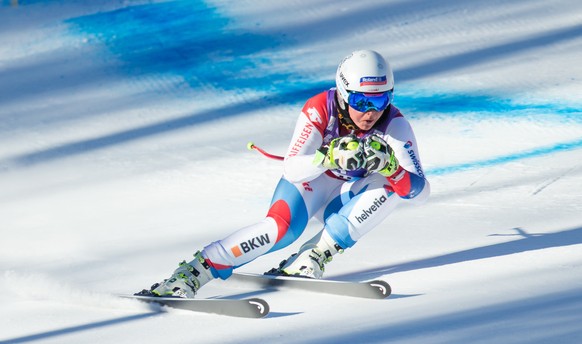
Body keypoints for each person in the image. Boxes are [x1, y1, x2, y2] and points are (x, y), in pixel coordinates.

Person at [138, 49, 430, 298]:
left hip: (344, 200)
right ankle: (192, 272)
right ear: (343, 94)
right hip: (311, 184)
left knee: (393, 186)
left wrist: (393, 170)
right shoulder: (320, 109)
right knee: (279, 231)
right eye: (361, 101)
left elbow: (421, 193)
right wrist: (328, 156)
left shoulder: (395, 125)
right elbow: (292, 167)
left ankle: (312, 256)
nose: (371, 112)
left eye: (380, 101)